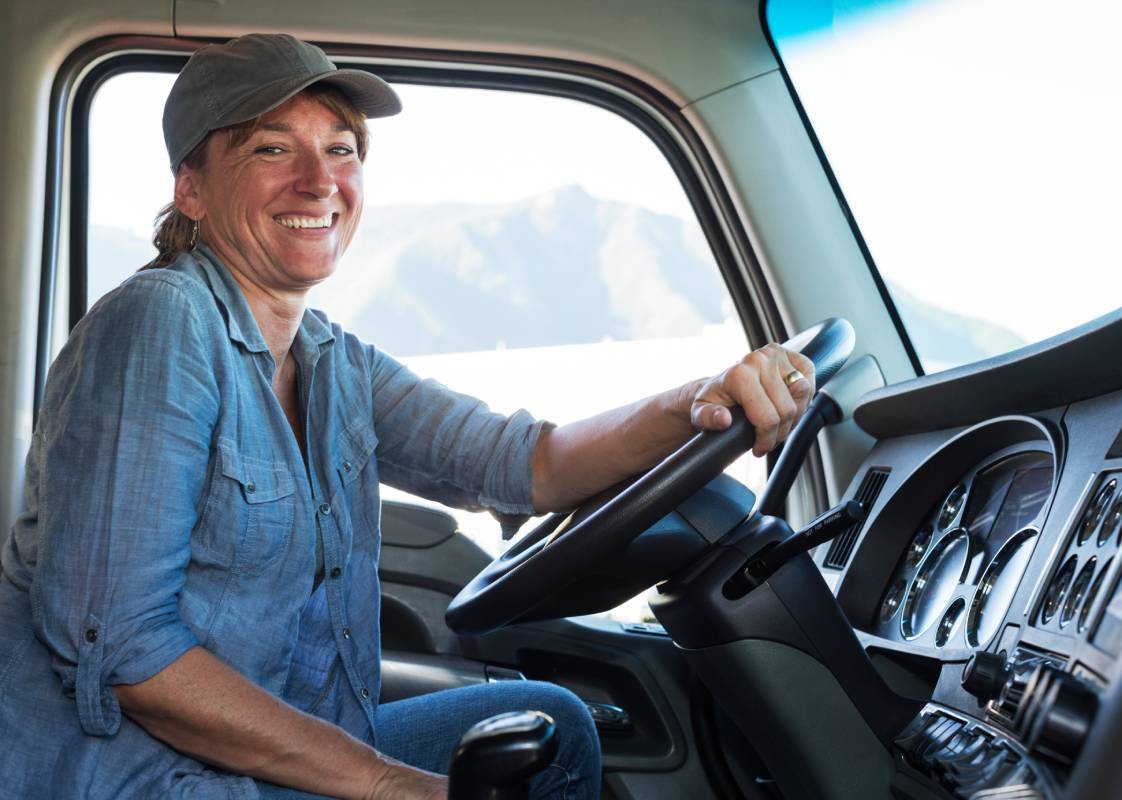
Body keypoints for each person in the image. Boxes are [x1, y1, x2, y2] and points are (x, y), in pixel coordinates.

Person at [0, 34, 815, 800]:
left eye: (341, 150)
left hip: (256, 754)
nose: (319, 181)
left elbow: (526, 462)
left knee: (552, 725)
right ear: (191, 188)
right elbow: (131, 656)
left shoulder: (327, 358)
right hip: (146, 777)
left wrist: (701, 398)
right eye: (272, 148)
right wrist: (393, 785)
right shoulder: (159, 325)